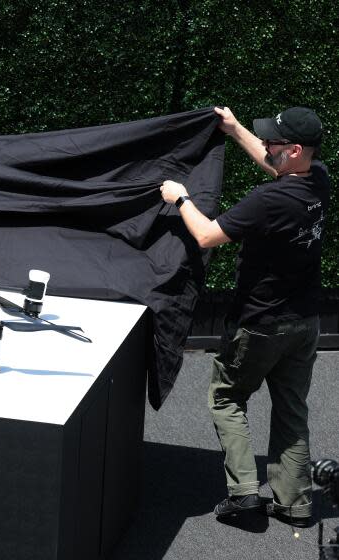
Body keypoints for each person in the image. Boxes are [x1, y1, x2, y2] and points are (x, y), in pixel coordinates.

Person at [160, 106, 329, 527]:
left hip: (260, 324)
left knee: (227, 397)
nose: (267, 144)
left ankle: (244, 496)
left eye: (273, 141)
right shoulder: (317, 179)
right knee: (291, 408)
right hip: (305, 321)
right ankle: (295, 504)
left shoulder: (267, 200)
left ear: (293, 150)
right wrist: (235, 131)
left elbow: (205, 235)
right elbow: (274, 166)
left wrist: (179, 197)